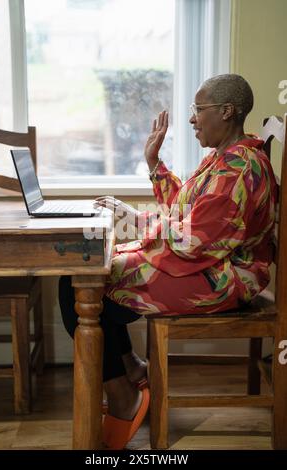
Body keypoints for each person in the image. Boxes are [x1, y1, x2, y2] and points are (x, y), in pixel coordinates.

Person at [59, 74, 277, 449]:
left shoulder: (237, 169)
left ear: (226, 112)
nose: (192, 119)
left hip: (223, 276)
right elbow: (186, 211)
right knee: (87, 276)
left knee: (83, 283)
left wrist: (133, 219)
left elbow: (194, 241)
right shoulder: (222, 159)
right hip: (207, 261)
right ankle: (130, 370)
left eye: (198, 110)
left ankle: (125, 394)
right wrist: (154, 163)